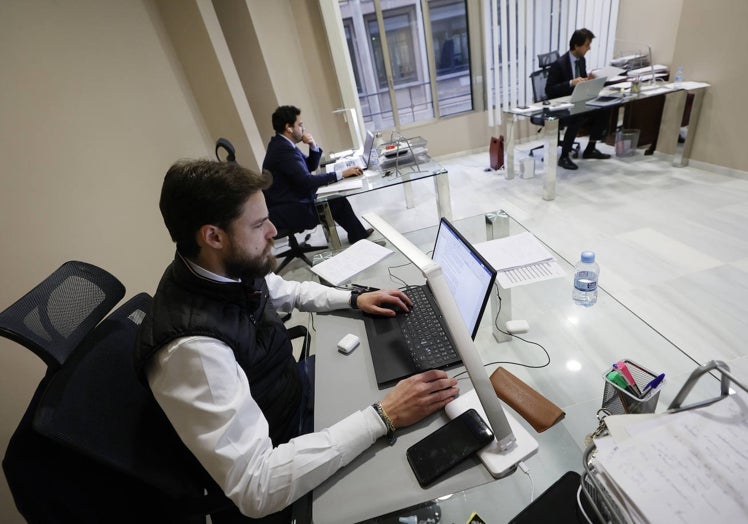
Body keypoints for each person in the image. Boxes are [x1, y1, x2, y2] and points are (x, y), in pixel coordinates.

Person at [135, 159, 459, 522]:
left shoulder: (220, 268)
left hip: (293, 397)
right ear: (213, 236)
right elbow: (257, 488)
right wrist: (383, 416)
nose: (274, 230)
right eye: (259, 225)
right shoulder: (191, 351)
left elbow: (284, 290)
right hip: (281, 460)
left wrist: (353, 299)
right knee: (409, 428)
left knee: (397, 382)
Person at [263, 105, 373, 244]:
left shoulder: (282, 144)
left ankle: (357, 235)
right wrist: (341, 174)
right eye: (300, 125)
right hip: (291, 208)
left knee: (336, 201)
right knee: (337, 202)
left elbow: (309, 166)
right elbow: (307, 181)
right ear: (289, 128)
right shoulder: (283, 150)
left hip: (290, 202)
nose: (303, 129)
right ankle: (359, 237)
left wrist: (313, 146)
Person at [546, 28, 612, 170]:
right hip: (561, 106)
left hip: (577, 101)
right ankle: (564, 156)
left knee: (604, 109)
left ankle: (590, 148)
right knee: (576, 116)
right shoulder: (559, 64)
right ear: (576, 45)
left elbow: (581, 82)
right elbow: (550, 90)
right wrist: (571, 83)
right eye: (587, 45)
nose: (589, 48)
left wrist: (589, 80)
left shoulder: (581, 60)